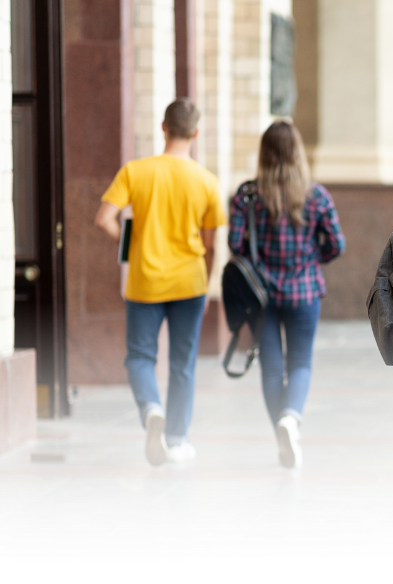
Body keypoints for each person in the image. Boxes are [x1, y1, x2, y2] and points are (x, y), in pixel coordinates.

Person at [94, 99, 225, 466]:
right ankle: (178, 440)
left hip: (144, 280)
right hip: (190, 281)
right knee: (183, 363)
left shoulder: (135, 172)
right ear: (195, 133)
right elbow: (212, 243)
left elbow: (103, 219)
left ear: (163, 128)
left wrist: (129, 240)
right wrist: (206, 275)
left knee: (140, 356)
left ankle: (152, 408)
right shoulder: (207, 181)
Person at [228, 120, 345, 469]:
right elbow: (336, 244)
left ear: (264, 153)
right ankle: (290, 420)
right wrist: (312, 260)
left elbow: (236, 245)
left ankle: (283, 430)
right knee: (300, 363)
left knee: (271, 366)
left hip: (261, 295)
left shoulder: (247, 195)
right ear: (297, 151)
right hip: (305, 291)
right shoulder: (316, 195)